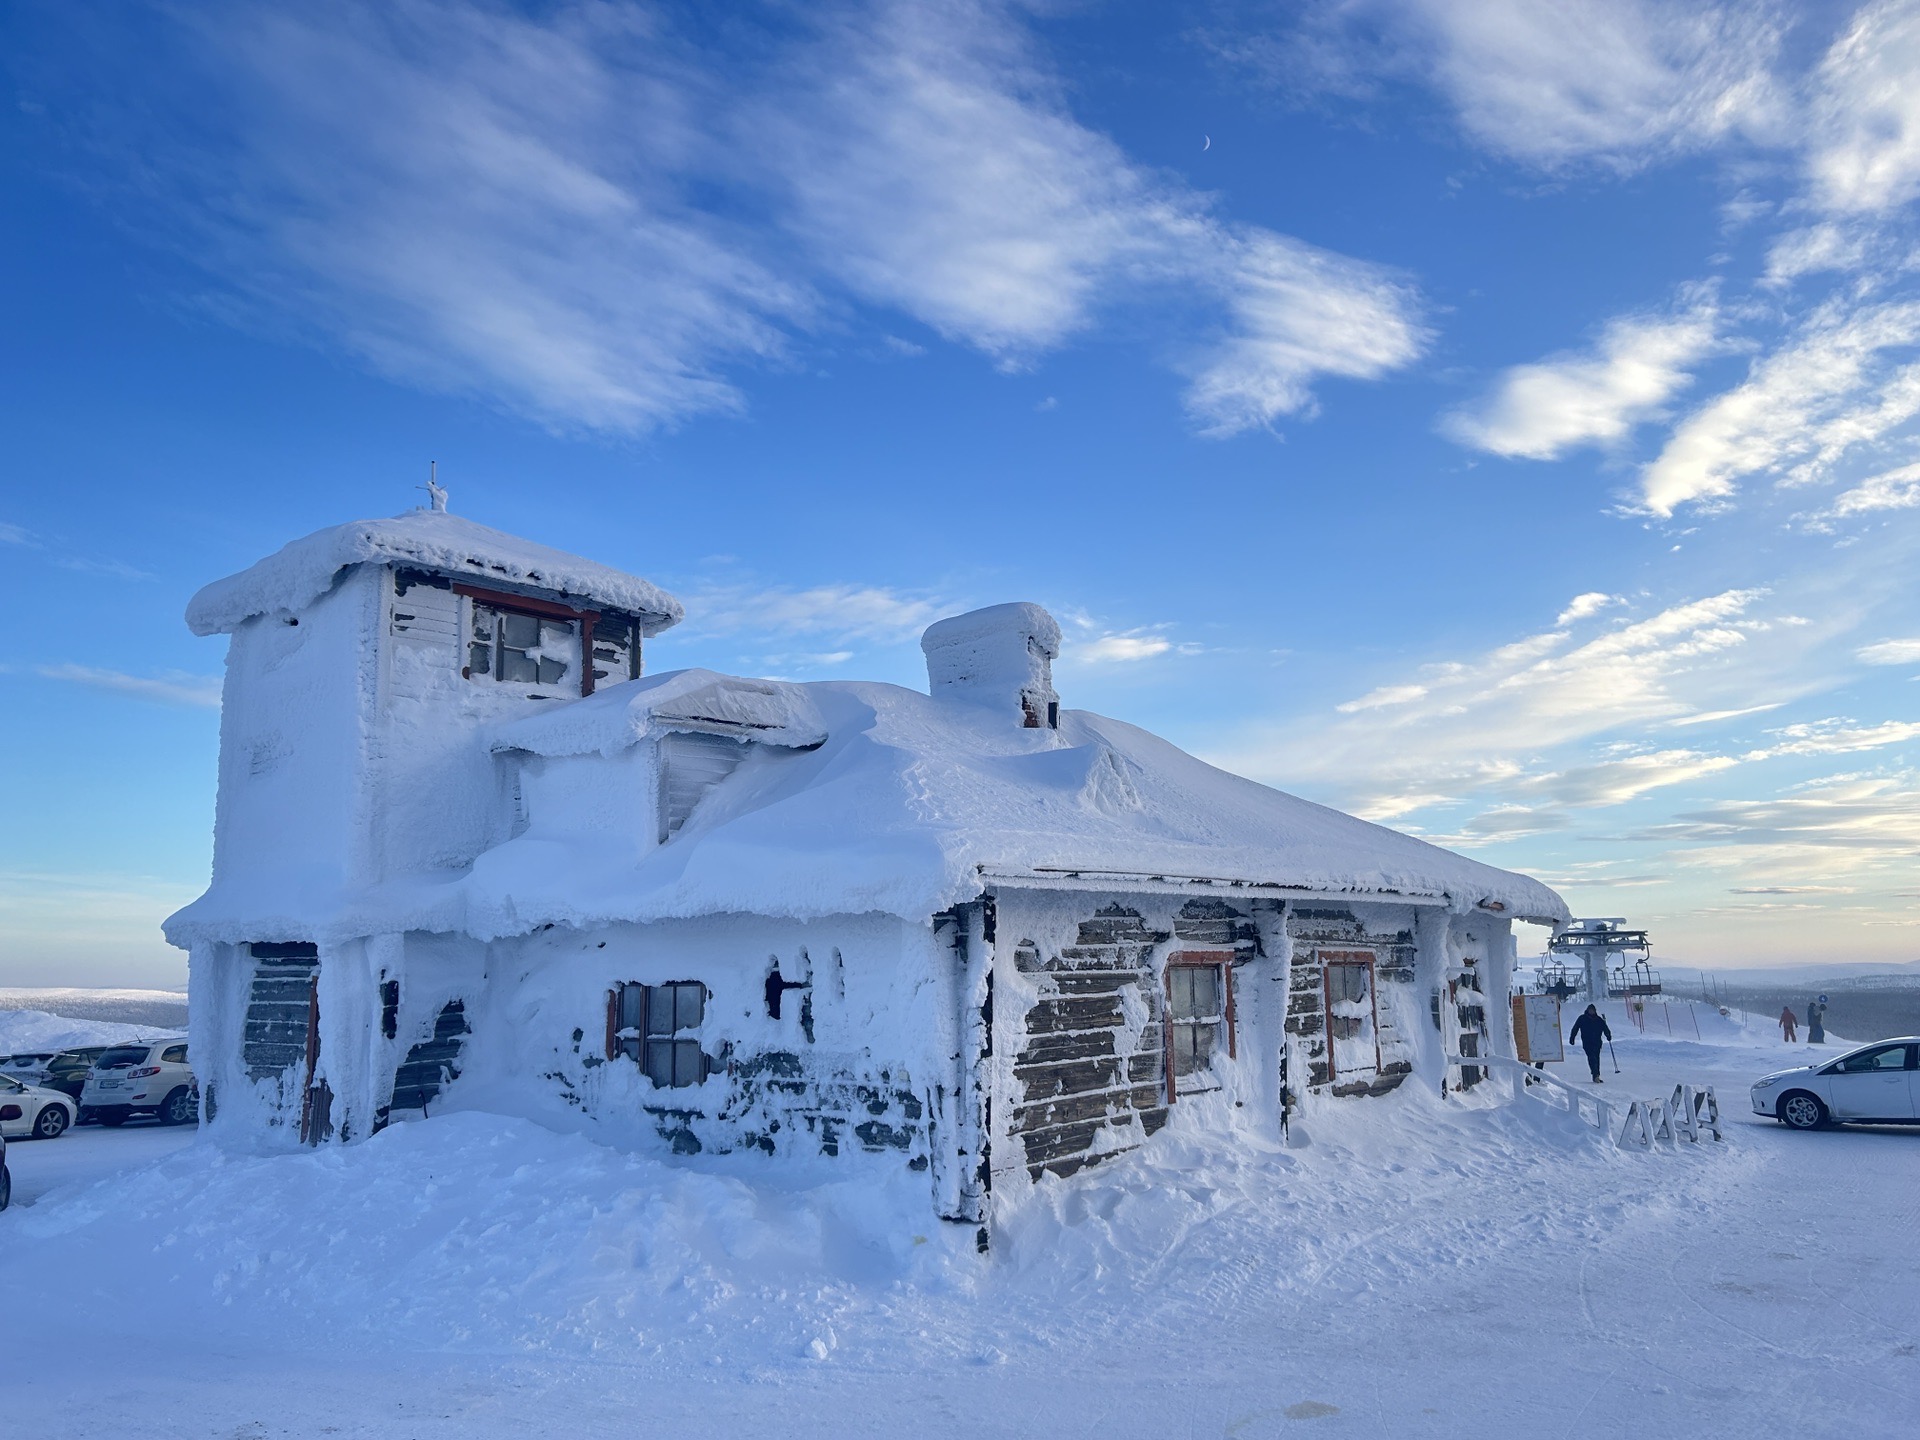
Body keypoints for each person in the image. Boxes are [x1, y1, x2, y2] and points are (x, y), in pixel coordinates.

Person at [1569, 1004, 1612, 1082]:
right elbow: (1575, 1028)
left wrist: (1608, 1035)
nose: (1591, 1012)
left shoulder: (1599, 1019)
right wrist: (1572, 1038)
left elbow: (1605, 1028)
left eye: (1593, 1010)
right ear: (1588, 1010)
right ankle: (1595, 1075)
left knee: (1596, 1058)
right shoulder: (1582, 1018)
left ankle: (1597, 1075)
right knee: (1592, 1058)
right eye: (1590, 1010)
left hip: (1597, 1042)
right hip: (1587, 1042)